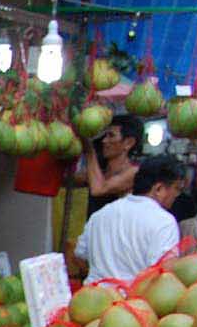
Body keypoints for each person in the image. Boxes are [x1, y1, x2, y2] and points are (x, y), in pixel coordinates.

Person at [75, 154, 187, 283]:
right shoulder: (164, 222)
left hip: (92, 297)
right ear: (159, 189)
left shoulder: (100, 214)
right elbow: (164, 275)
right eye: (177, 189)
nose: (176, 195)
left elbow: (80, 254)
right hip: (132, 300)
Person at [80, 114, 145, 219]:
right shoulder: (101, 172)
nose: (104, 141)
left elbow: (98, 189)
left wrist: (89, 151)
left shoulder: (134, 172)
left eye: (111, 136)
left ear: (128, 143)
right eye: (105, 136)